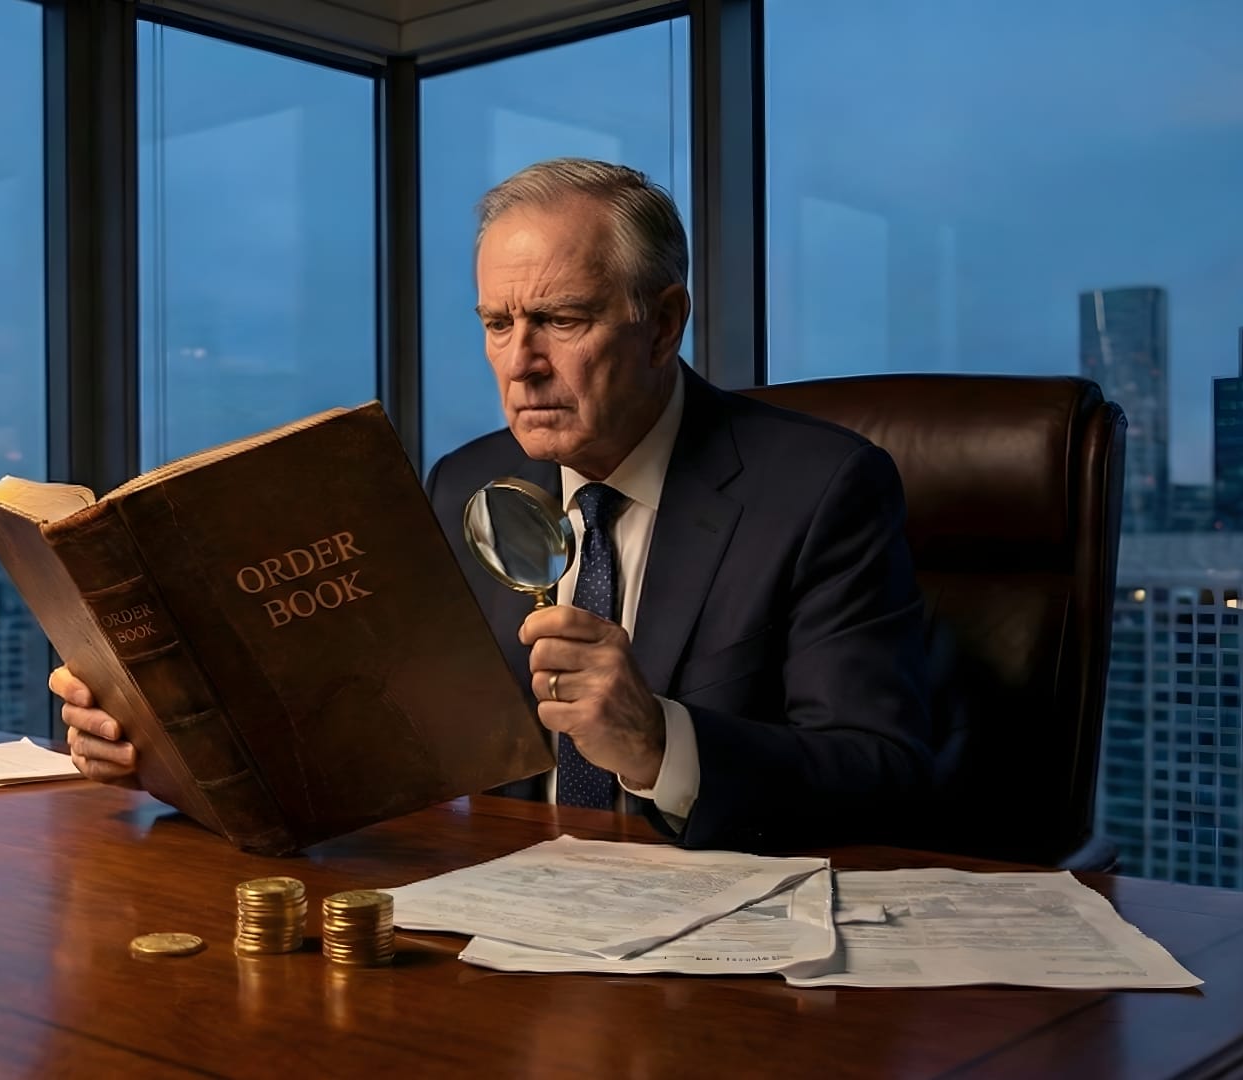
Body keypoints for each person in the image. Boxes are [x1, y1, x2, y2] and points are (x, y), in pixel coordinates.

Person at [52, 158, 934, 851]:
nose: (521, 363)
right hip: (496, 908)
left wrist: (661, 743)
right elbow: (395, 740)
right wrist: (166, 751)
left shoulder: (822, 488)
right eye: (496, 323)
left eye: (561, 319)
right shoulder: (463, 481)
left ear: (664, 323)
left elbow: (885, 771)